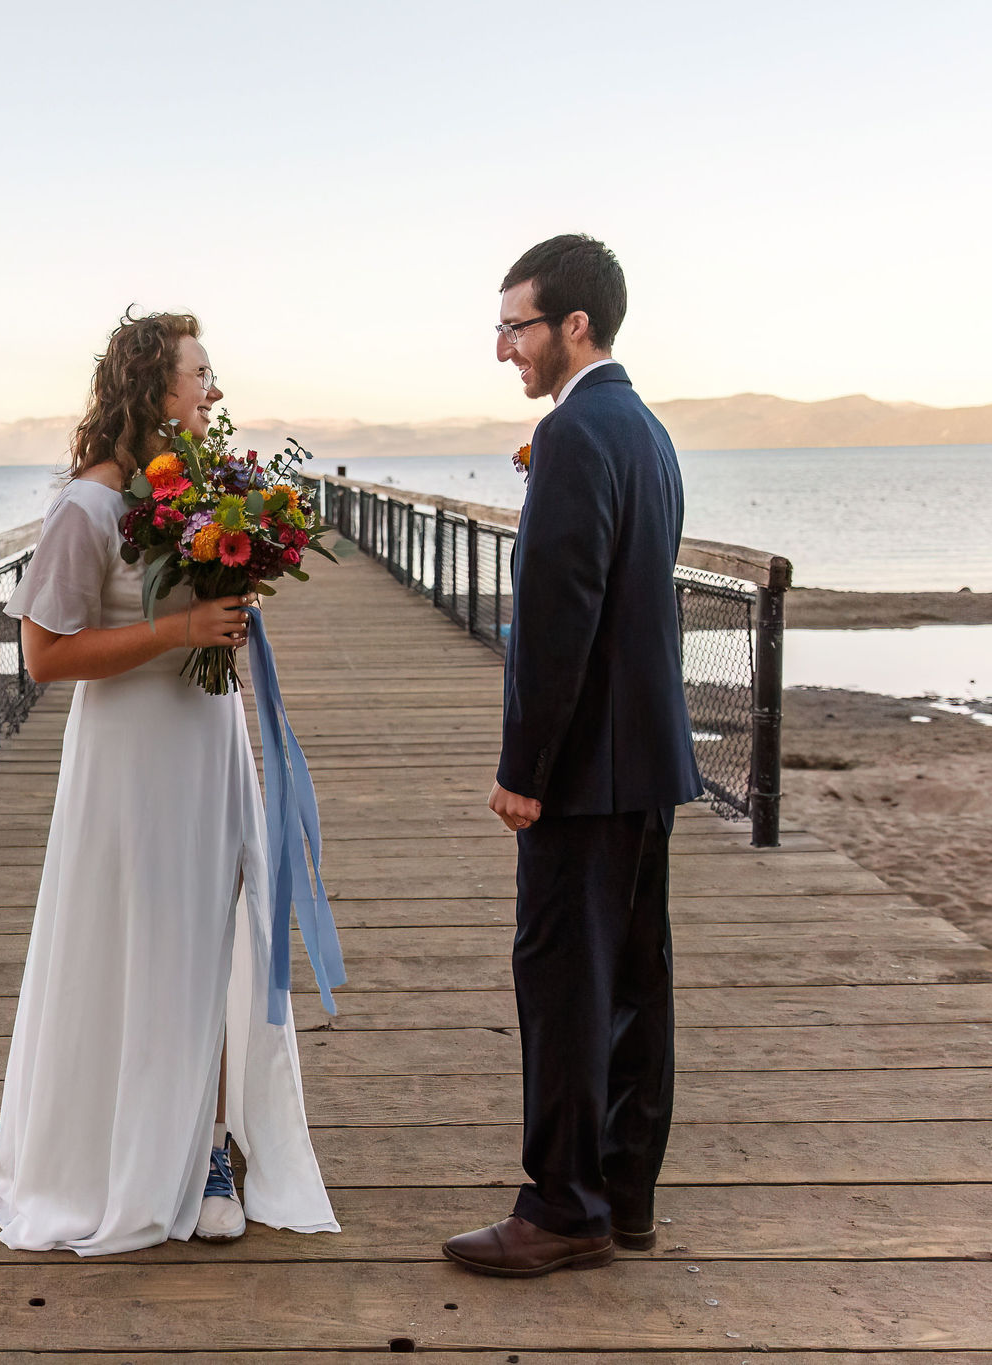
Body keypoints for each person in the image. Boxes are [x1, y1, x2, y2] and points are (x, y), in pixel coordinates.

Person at [0, 309, 338, 1255]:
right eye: (199, 374)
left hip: (207, 737)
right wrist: (178, 631)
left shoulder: (200, 492)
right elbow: (44, 657)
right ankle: (112, 1153)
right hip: (131, 756)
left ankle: (210, 1144)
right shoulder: (87, 507)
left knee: (213, 930)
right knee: (136, 937)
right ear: (152, 386)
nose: (213, 391)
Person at [443, 235, 700, 1277]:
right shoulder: (642, 429)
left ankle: (560, 1208)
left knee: (561, 986)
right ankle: (623, 1194)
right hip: (647, 760)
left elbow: (557, 619)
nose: (505, 347)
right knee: (638, 982)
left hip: (584, 772)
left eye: (516, 326)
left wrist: (523, 771)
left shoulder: (571, 437)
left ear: (573, 326)